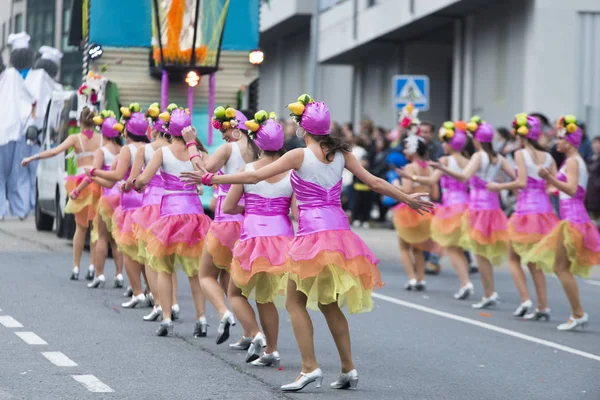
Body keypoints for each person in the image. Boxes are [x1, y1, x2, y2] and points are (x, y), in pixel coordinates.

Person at [181, 95, 433, 392]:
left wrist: (213, 180)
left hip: (312, 237)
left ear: (303, 128)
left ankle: (309, 367)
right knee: (328, 303)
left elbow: (258, 173)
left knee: (294, 302)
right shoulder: (342, 154)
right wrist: (406, 199)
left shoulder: (299, 155)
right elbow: (375, 182)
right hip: (340, 235)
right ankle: (348, 368)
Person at [131, 106, 211, 337]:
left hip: (168, 216)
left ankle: (166, 318)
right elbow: (205, 175)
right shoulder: (196, 153)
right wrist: (193, 145)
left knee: (164, 269)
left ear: (168, 131)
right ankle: (202, 318)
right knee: (195, 271)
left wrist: (136, 183)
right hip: (194, 216)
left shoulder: (162, 153)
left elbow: (143, 180)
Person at [221, 114, 294, 366]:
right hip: (283, 239)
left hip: (253, 237)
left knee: (235, 292)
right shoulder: (290, 171)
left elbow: (229, 206)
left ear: (259, 144)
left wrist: (248, 209)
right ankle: (272, 350)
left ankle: (256, 334)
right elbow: (295, 212)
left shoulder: (247, 170)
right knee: (265, 296)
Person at [182, 107, 258, 346]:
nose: (223, 136)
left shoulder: (228, 149)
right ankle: (248, 334)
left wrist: (191, 144)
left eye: (224, 130)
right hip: (249, 220)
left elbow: (203, 173)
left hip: (226, 218)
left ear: (236, 128)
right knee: (232, 277)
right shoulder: (258, 150)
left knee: (205, 275)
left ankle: (224, 313)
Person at [431, 117, 515, 309]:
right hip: (494, 208)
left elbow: (463, 177)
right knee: (483, 252)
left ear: (476, 140)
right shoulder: (498, 158)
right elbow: (517, 178)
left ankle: (489, 293)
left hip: (478, 208)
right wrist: (501, 186)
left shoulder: (478, 156)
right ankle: (489, 292)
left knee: (480, 253)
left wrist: (443, 168)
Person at [528, 115, 599, 330]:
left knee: (561, 268)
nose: (556, 142)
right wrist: (553, 188)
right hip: (570, 219)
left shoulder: (573, 161)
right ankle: (576, 312)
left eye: (560, 139)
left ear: (569, 142)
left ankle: (577, 313)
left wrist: (550, 179)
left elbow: (573, 189)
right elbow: (567, 189)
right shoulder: (572, 161)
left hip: (573, 221)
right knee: (560, 267)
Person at [486, 114, 558, 320]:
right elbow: (552, 185)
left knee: (513, 257)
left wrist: (499, 186)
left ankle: (526, 299)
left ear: (521, 135)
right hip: (544, 213)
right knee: (533, 261)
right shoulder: (549, 157)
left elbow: (522, 182)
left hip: (526, 212)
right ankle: (542, 306)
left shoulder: (520, 154)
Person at [21, 107, 102, 280]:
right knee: (96, 228)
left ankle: (75, 267)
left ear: (80, 122)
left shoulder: (75, 138)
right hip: (98, 183)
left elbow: (54, 151)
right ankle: (93, 267)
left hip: (80, 183)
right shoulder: (101, 139)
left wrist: (32, 158)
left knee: (80, 228)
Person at [397, 121, 473, 299]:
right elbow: (435, 191)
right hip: (468, 205)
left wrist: (410, 177)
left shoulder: (444, 160)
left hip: (450, 207)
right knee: (457, 247)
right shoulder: (469, 161)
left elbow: (431, 182)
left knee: (449, 247)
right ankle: (465, 281)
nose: (443, 146)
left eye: (445, 142)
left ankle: (464, 282)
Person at [88, 104, 150, 307]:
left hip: (127, 201)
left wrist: (94, 173)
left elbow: (115, 177)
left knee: (117, 243)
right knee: (146, 251)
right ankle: (152, 294)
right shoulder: (151, 148)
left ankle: (136, 290)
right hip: (148, 204)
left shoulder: (127, 149)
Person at [127, 104, 177, 322]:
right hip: (169, 205)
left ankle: (158, 303)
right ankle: (172, 303)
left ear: (152, 129)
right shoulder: (174, 148)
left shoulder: (145, 150)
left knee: (150, 256)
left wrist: (128, 185)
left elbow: (133, 179)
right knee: (167, 257)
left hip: (149, 207)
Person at [73, 113, 124, 288]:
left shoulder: (101, 152)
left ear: (103, 133)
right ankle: (119, 275)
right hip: (123, 199)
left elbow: (91, 175)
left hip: (108, 197)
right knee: (117, 240)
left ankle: (100, 274)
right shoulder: (121, 150)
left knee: (102, 237)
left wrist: (77, 190)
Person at [392, 135, 438, 291]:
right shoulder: (430, 168)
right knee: (419, 247)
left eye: (406, 147)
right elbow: (436, 194)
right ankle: (421, 279)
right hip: (427, 209)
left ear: (413, 150)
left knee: (404, 246)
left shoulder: (410, 168)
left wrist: (395, 184)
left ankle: (412, 279)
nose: (404, 151)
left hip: (411, 209)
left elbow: (407, 190)